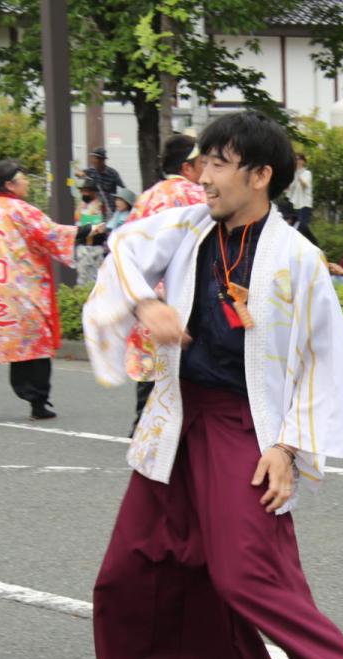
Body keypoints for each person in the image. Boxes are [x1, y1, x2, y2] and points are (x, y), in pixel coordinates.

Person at [83, 111, 343, 659]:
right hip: (175, 414)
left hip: (244, 422)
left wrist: (287, 446)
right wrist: (146, 304)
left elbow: (323, 356)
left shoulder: (297, 258)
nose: (204, 176)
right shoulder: (189, 226)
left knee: (245, 568)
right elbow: (124, 249)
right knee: (137, 561)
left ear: (260, 175)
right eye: (202, 161)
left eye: (219, 163)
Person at [0, 160, 102, 421]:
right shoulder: (19, 210)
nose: (27, 181)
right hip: (19, 290)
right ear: (9, 184)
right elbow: (49, 234)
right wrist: (87, 231)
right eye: (22, 177)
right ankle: (38, 402)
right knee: (33, 343)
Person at [124, 133, 207, 434]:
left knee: (151, 361)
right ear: (188, 167)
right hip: (183, 291)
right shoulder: (198, 196)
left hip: (147, 295)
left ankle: (141, 425)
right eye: (203, 163)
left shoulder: (147, 196)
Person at [73, 179, 106, 286]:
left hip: (96, 246)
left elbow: (102, 226)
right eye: (83, 191)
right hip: (82, 246)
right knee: (82, 278)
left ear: (93, 192)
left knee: (96, 280)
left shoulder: (100, 206)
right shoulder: (80, 206)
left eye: (87, 191)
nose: (84, 193)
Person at [77, 146, 125, 213]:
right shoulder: (91, 171)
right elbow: (79, 174)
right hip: (94, 208)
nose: (93, 161)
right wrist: (79, 173)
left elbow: (122, 188)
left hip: (109, 207)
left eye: (95, 159)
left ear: (102, 160)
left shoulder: (112, 173)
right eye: (92, 158)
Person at [288, 152, 313, 230]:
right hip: (294, 204)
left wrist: (298, 174)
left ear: (303, 161)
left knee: (302, 227)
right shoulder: (293, 174)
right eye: (295, 159)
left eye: (299, 159)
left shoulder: (307, 173)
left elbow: (305, 185)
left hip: (305, 204)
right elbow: (289, 189)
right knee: (291, 227)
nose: (297, 161)